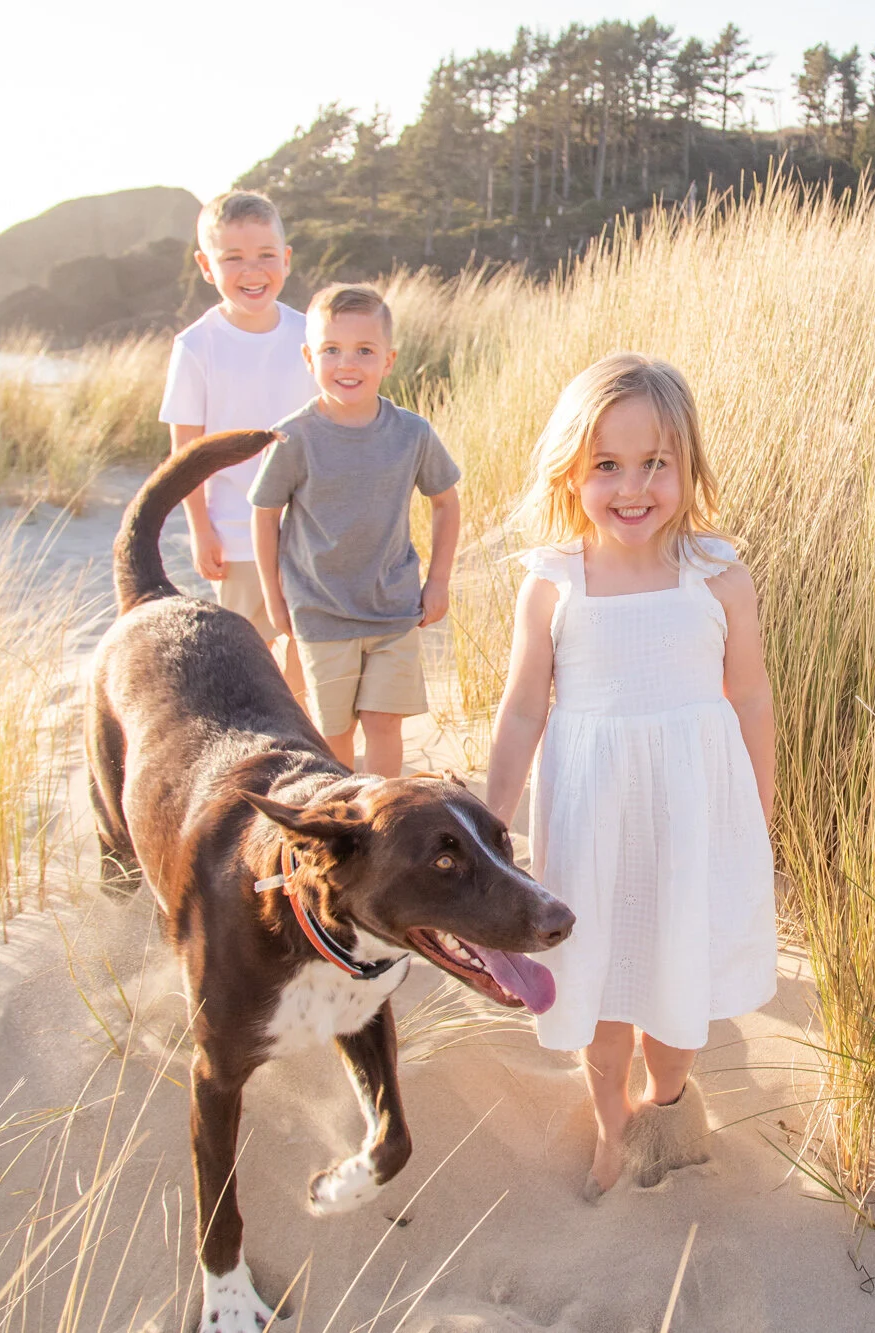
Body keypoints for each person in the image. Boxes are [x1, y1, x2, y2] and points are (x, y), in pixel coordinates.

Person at [483, 352, 778, 1199]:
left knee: (676, 987)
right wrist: (491, 826)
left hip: (692, 818)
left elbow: (750, 697)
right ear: (572, 472)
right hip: (591, 822)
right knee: (601, 993)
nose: (634, 487)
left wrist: (755, 816)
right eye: (606, 466)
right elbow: (522, 712)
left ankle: (668, 1101)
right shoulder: (555, 584)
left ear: (688, 465)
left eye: (657, 463)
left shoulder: (718, 577)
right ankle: (612, 1127)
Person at [248, 284, 461, 776]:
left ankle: (383, 823)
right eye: (331, 350)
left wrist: (440, 580)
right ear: (308, 357)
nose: (348, 364)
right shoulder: (295, 436)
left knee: (384, 722)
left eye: (364, 351)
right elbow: (264, 512)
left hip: (392, 608)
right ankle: (344, 823)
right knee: (333, 730)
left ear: (388, 360)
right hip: (321, 611)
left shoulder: (412, 433)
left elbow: (445, 501)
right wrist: (274, 595)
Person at [158, 188, 313, 695]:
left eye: (266, 255)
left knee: (304, 646)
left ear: (286, 260)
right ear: (207, 266)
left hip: (309, 528)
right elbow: (186, 454)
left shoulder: (311, 335)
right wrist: (200, 530)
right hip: (235, 529)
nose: (253, 271)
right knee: (247, 651)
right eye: (234, 259)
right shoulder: (197, 346)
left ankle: (307, 741)